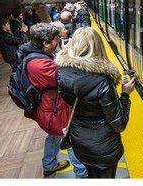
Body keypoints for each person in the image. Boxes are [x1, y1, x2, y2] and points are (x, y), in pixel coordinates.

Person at [55, 27, 136, 178]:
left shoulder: (60, 72)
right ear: (98, 46)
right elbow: (119, 124)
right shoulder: (103, 80)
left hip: (80, 138)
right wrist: (125, 94)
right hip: (104, 146)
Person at [19, 23, 87, 178]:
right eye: (56, 39)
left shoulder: (36, 53)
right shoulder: (39, 64)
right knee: (70, 138)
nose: (59, 40)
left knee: (54, 136)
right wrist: (69, 53)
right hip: (54, 110)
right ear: (45, 43)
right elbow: (66, 77)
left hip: (51, 107)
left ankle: (49, 165)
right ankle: (82, 174)